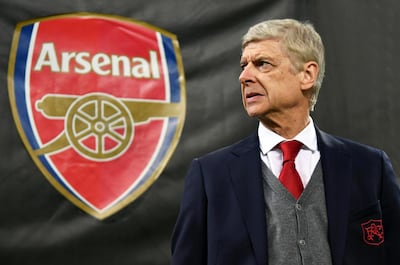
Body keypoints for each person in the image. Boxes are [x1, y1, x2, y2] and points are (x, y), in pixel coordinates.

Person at [171, 18, 400, 265]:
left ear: (307, 75)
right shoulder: (210, 175)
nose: (244, 77)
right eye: (243, 65)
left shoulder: (369, 166)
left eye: (262, 64)